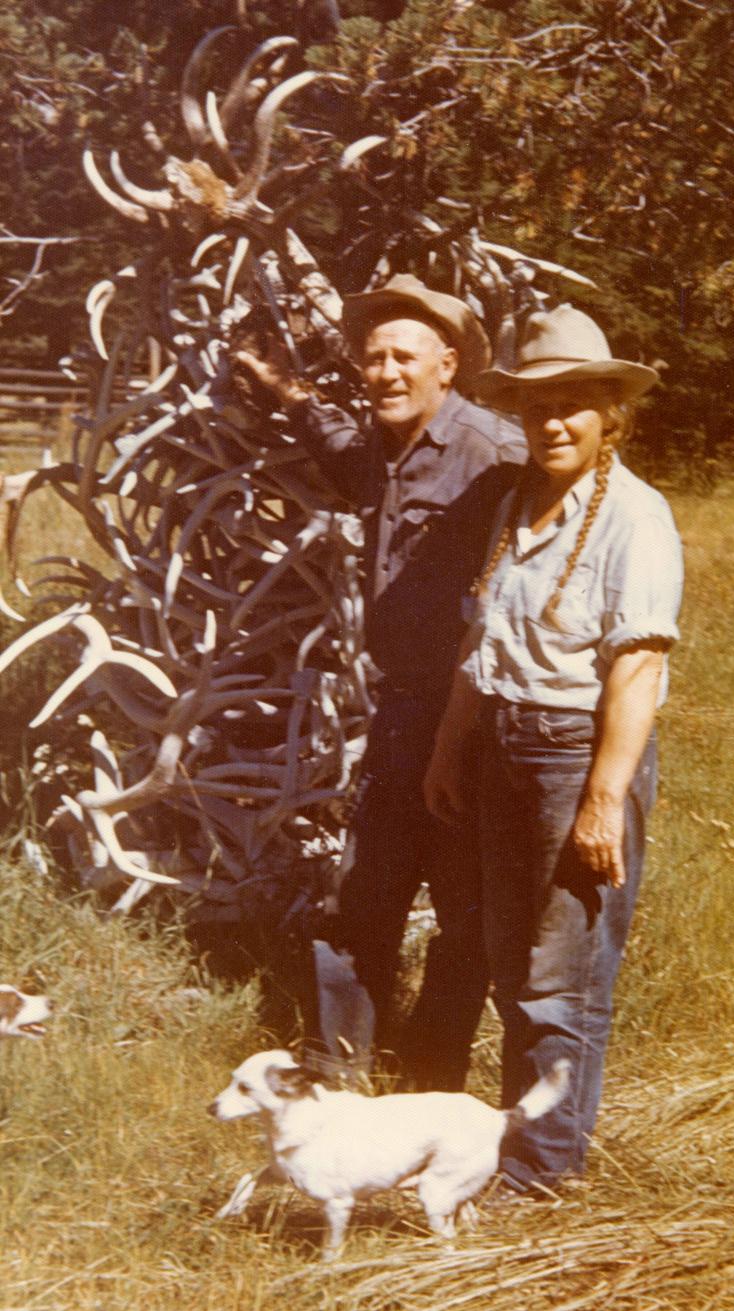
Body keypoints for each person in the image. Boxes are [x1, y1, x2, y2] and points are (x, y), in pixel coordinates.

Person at [235, 275, 526, 1090]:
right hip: (400, 714)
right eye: (373, 359)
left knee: (465, 917)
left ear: (449, 363)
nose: (387, 372)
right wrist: (284, 389)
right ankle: (336, 1078)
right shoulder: (382, 448)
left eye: (406, 357)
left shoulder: (495, 455)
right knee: (362, 899)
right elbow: (336, 446)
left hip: (474, 718)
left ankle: (429, 1085)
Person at [424, 304, 683, 1192]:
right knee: (510, 962)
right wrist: (451, 747)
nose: (555, 422)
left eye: (574, 404)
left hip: (576, 754)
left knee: (560, 975)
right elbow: (480, 642)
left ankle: (541, 1176)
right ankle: (523, 1145)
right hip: (500, 741)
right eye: (537, 406)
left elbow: (637, 666)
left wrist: (604, 797)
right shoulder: (512, 502)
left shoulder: (634, 518)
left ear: (612, 411)